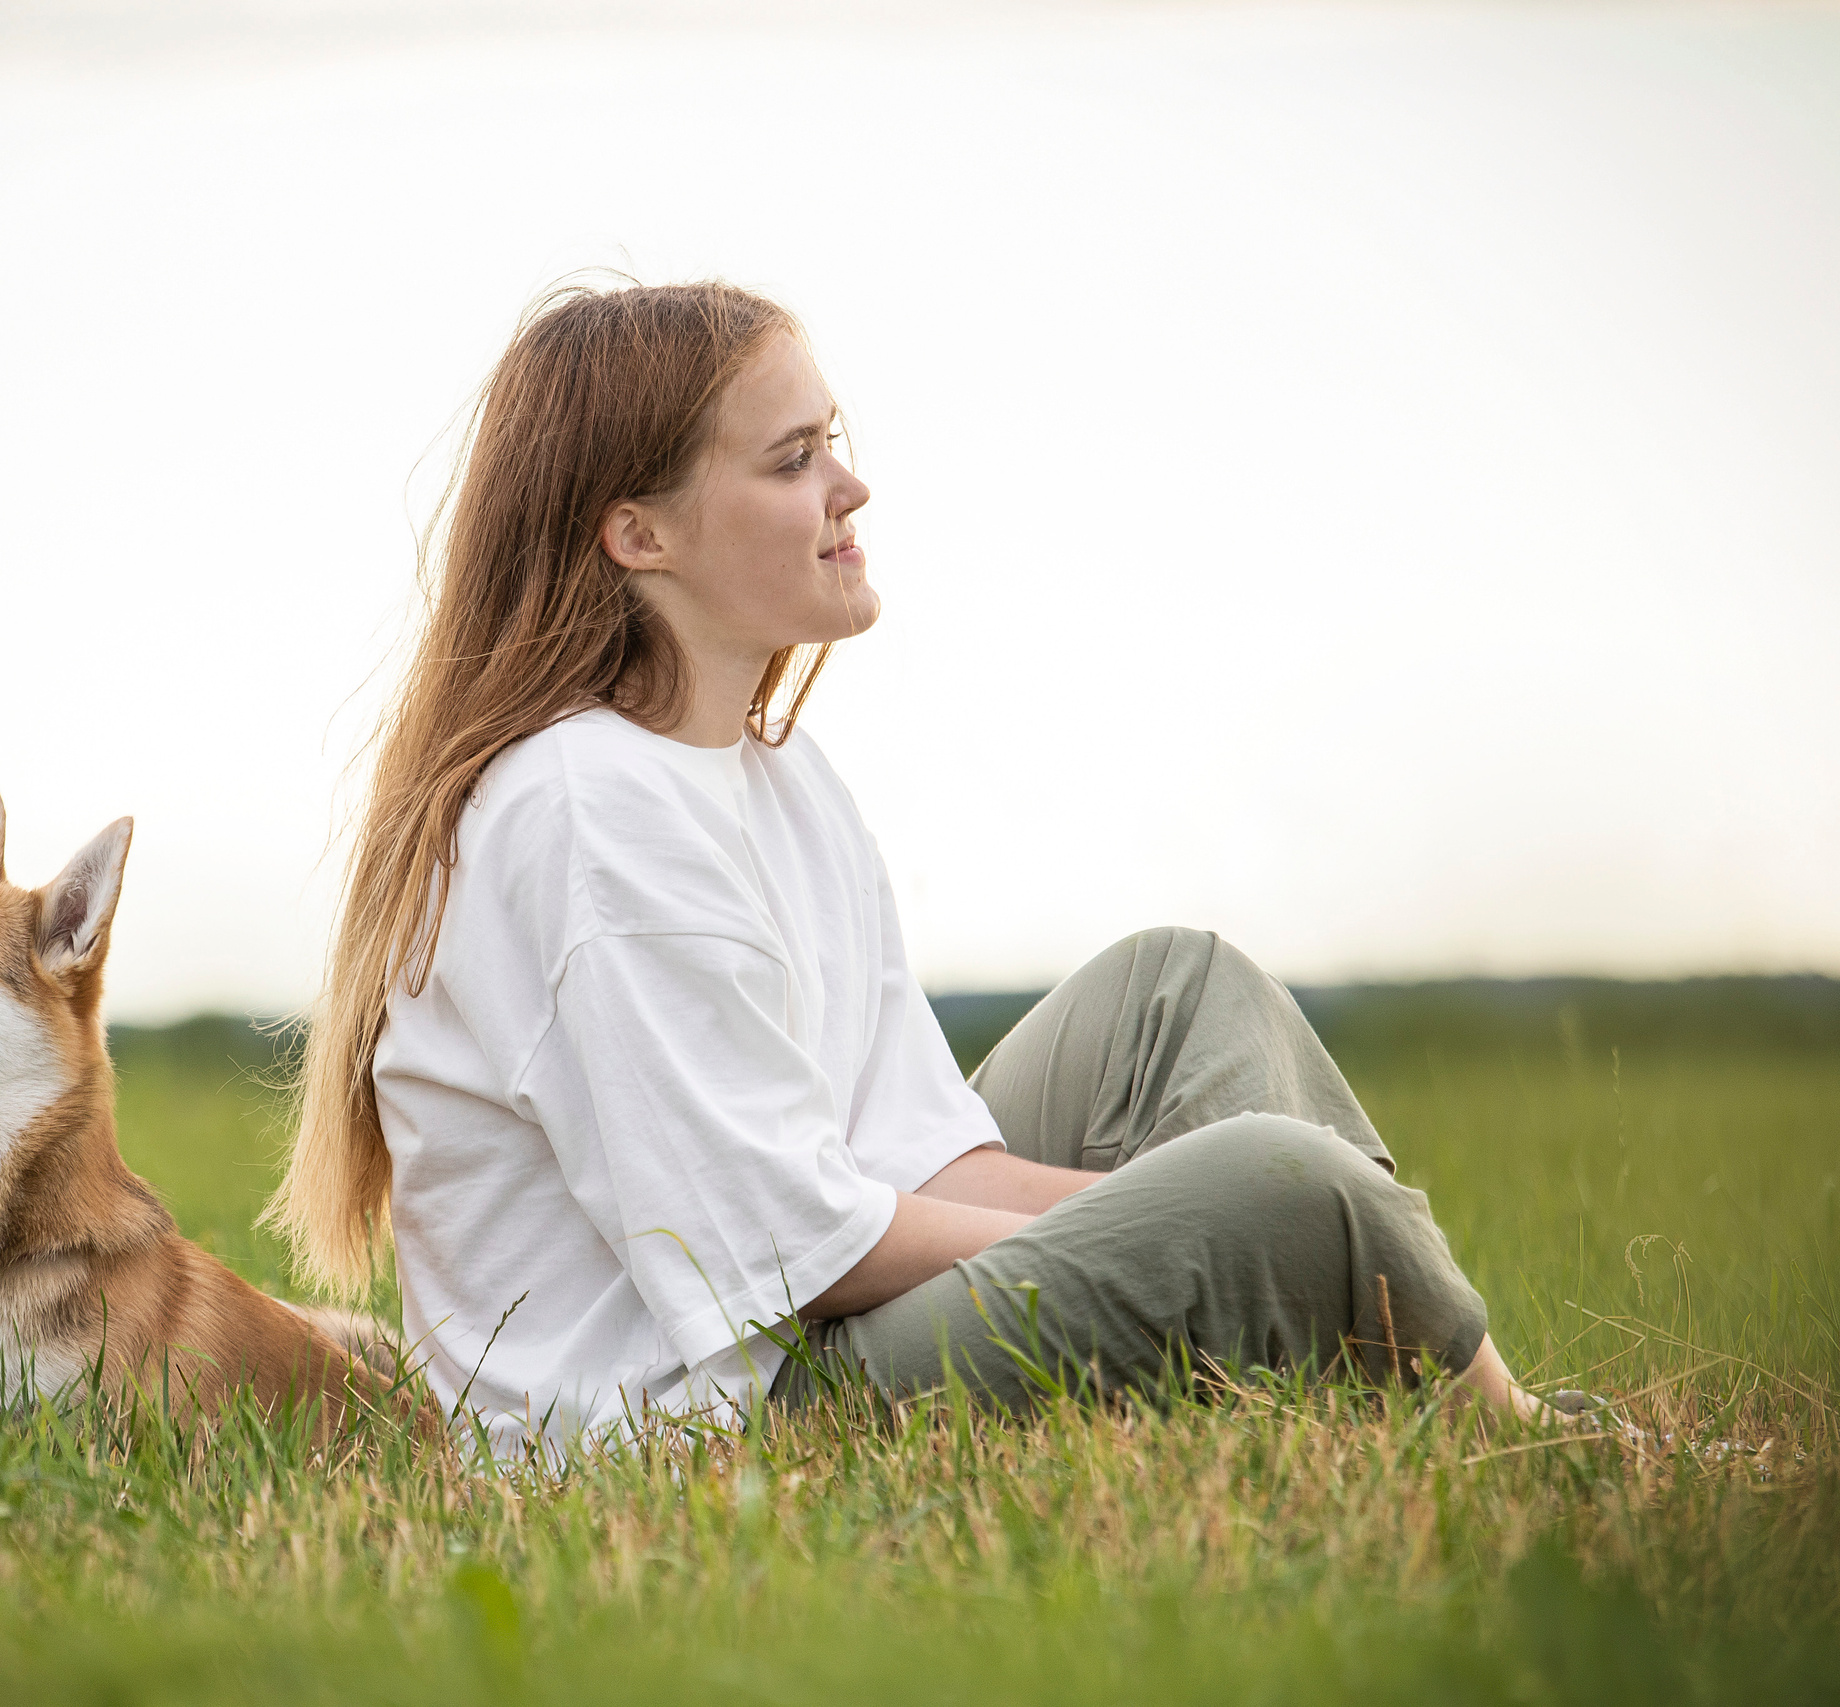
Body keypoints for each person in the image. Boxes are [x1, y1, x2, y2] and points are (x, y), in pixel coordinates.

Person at [264, 280, 1556, 1456]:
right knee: (1286, 1188)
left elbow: (919, 1162)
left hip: (816, 1323)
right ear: (638, 534)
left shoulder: (776, 776)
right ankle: (1534, 1447)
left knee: (1177, 992)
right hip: (708, 1431)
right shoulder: (585, 810)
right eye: (791, 459)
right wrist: (1183, 1225)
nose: (850, 487)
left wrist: (1163, 1223)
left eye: (835, 441)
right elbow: (792, 1253)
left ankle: (1379, 1393)